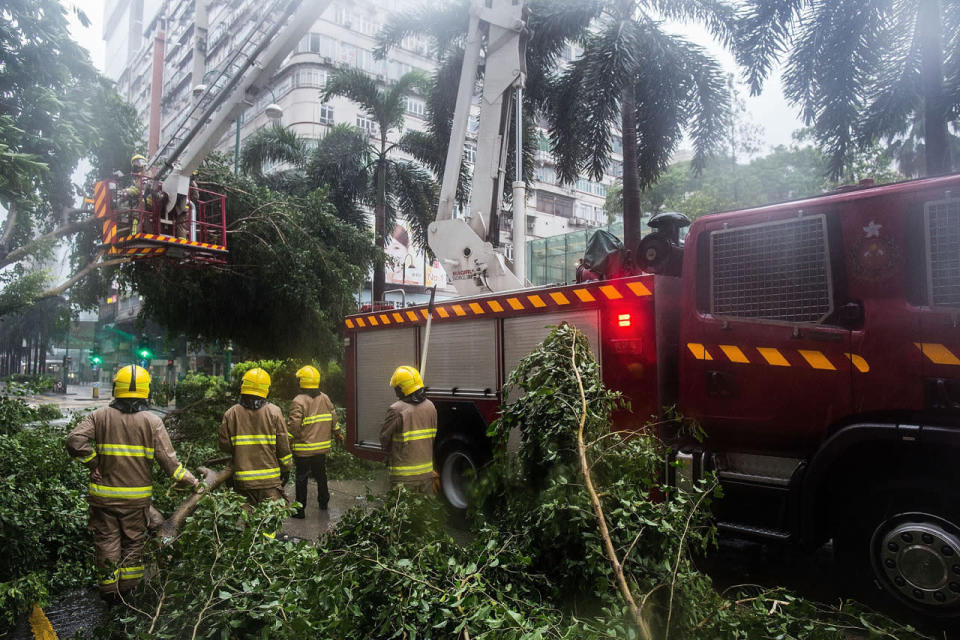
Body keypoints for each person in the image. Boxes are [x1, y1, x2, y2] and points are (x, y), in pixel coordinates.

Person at [65, 365, 199, 602]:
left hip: (103, 498)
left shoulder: (100, 416)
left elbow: (74, 440)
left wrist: (93, 462)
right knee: (133, 544)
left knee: (107, 542)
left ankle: (108, 591)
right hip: (135, 502)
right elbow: (171, 465)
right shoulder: (152, 422)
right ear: (146, 391)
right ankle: (127, 593)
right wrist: (193, 482)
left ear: (117, 388)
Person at [218, 368, 292, 506]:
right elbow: (283, 446)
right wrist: (286, 468)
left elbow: (224, 445)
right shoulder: (274, 412)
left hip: (243, 480)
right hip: (269, 482)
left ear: (243, 386)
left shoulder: (231, 414)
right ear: (266, 389)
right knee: (269, 521)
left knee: (250, 523)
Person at [287, 365, 340, 518]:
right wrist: (337, 432)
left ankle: (300, 510)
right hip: (321, 448)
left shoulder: (298, 401)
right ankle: (323, 502)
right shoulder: (325, 397)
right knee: (321, 474)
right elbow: (333, 418)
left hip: (304, 448)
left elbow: (294, 426)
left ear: (301, 382)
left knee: (301, 478)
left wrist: (288, 441)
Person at [379, 366, 437, 493]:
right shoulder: (431, 407)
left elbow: (384, 439)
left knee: (401, 511)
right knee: (424, 512)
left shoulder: (396, 409)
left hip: (403, 478)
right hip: (426, 475)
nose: (395, 392)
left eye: (396, 388)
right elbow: (432, 437)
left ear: (402, 389)